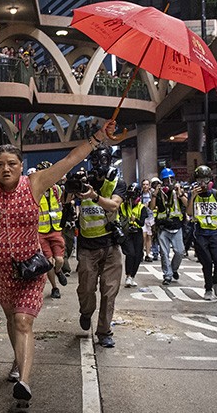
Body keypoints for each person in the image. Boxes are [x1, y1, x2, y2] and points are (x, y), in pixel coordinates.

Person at [0, 117, 117, 404]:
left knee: (23, 321)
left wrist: (98, 138)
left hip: (31, 268)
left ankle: (24, 381)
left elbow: (70, 159)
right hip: (0, 271)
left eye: (11, 163)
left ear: (21, 166)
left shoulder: (35, 183)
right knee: (12, 319)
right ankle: (18, 360)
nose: (5, 169)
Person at [71, 145, 127, 349]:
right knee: (86, 289)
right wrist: (73, 185)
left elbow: (114, 205)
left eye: (103, 161)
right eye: (96, 161)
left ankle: (104, 331)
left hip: (111, 245)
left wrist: (94, 196)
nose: (100, 165)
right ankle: (86, 312)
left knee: (109, 291)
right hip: (87, 246)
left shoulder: (117, 182)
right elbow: (66, 199)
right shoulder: (84, 181)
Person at [187, 165, 217, 301]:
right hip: (199, 233)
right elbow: (189, 212)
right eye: (200, 180)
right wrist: (193, 196)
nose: (203, 183)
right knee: (207, 262)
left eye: (206, 179)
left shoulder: (216, 194)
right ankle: (208, 289)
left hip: (213, 232)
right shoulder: (193, 194)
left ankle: (215, 282)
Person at [35, 161, 68, 299]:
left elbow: (65, 201)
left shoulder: (57, 190)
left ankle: (59, 271)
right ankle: (55, 287)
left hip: (55, 230)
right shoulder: (35, 190)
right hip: (41, 231)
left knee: (59, 260)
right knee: (49, 262)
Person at [150, 168, 188, 285]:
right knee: (164, 253)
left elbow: (187, 204)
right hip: (163, 227)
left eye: (171, 179)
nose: (169, 182)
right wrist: (155, 194)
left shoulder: (179, 192)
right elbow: (151, 207)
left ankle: (174, 269)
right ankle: (167, 275)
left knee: (180, 252)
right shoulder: (159, 193)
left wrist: (180, 193)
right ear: (162, 181)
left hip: (177, 226)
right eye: (167, 180)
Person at [121, 182, 150, 288]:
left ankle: (132, 276)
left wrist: (135, 219)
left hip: (137, 233)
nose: (132, 198)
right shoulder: (123, 206)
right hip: (128, 233)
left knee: (138, 255)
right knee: (130, 254)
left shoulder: (142, 207)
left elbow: (142, 223)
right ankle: (128, 276)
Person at [140, 179, 156, 261]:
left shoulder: (152, 194)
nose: (145, 186)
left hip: (150, 217)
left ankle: (148, 254)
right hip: (142, 217)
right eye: (144, 184)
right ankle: (141, 253)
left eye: (147, 184)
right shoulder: (140, 194)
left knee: (149, 236)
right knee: (143, 236)